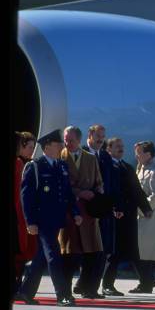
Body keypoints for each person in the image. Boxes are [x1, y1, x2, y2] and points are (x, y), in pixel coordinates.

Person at [16, 129, 82, 306]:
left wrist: (75, 213)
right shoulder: (35, 166)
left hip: (57, 219)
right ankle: (63, 295)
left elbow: (67, 193)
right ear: (47, 147)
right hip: (42, 221)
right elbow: (26, 197)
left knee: (40, 257)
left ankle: (25, 291)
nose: (61, 145)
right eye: (58, 143)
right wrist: (30, 221)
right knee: (53, 255)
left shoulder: (61, 166)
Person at [101, 137, 153, 296]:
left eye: (122, 146)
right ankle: (107, 285)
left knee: (133, 250)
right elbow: (108, 190)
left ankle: (146, 282)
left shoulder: (126, 167)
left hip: (129, 215)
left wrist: (146, 208)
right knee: (114, 252)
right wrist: (115, 207)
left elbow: (136, 190)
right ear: (108, 149)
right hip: (114, 215)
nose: (121, 149)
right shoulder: (106, 166)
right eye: (117, 147)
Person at [59, 125, 106, 299]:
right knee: (69, 254)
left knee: (93, 252)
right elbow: (59, 186)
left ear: (79, 140)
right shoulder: (59, 157)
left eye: (71, 140)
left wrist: (97, 193)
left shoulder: (90, 158)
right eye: (65, 139)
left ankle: (89, 289)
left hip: (88, 212)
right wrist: (79, 192)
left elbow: (98, 181)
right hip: (69, 212)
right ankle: (65, 291)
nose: (67, 143)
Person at [130, 141, 155, 293]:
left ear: (148, 154)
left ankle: (146, 282)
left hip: (148, 217)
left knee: (141, 253)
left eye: (139, 152)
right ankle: (147, 281)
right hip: (141, 218)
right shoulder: (142, 169)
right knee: (138, 252)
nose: (137, 156)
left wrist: (140, 209)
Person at [81, 124, 114, 296]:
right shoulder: (81, 153)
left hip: (103, 210)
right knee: (88, 251)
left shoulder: (105, 157)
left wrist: (114, 206)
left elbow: (111, 184)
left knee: (102, 250)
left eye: (103, 137)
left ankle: (90, 287)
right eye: (98, 136)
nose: (101, 140)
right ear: (90, 134)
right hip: (86, 210)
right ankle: (85, 286)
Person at [14, 131, 38, 294]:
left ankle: (19, 283)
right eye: (29, 147)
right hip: (19, 215)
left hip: (26, 214)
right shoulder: (18, 164)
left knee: (26, 252)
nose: (32, 150)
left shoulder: (30, 164)